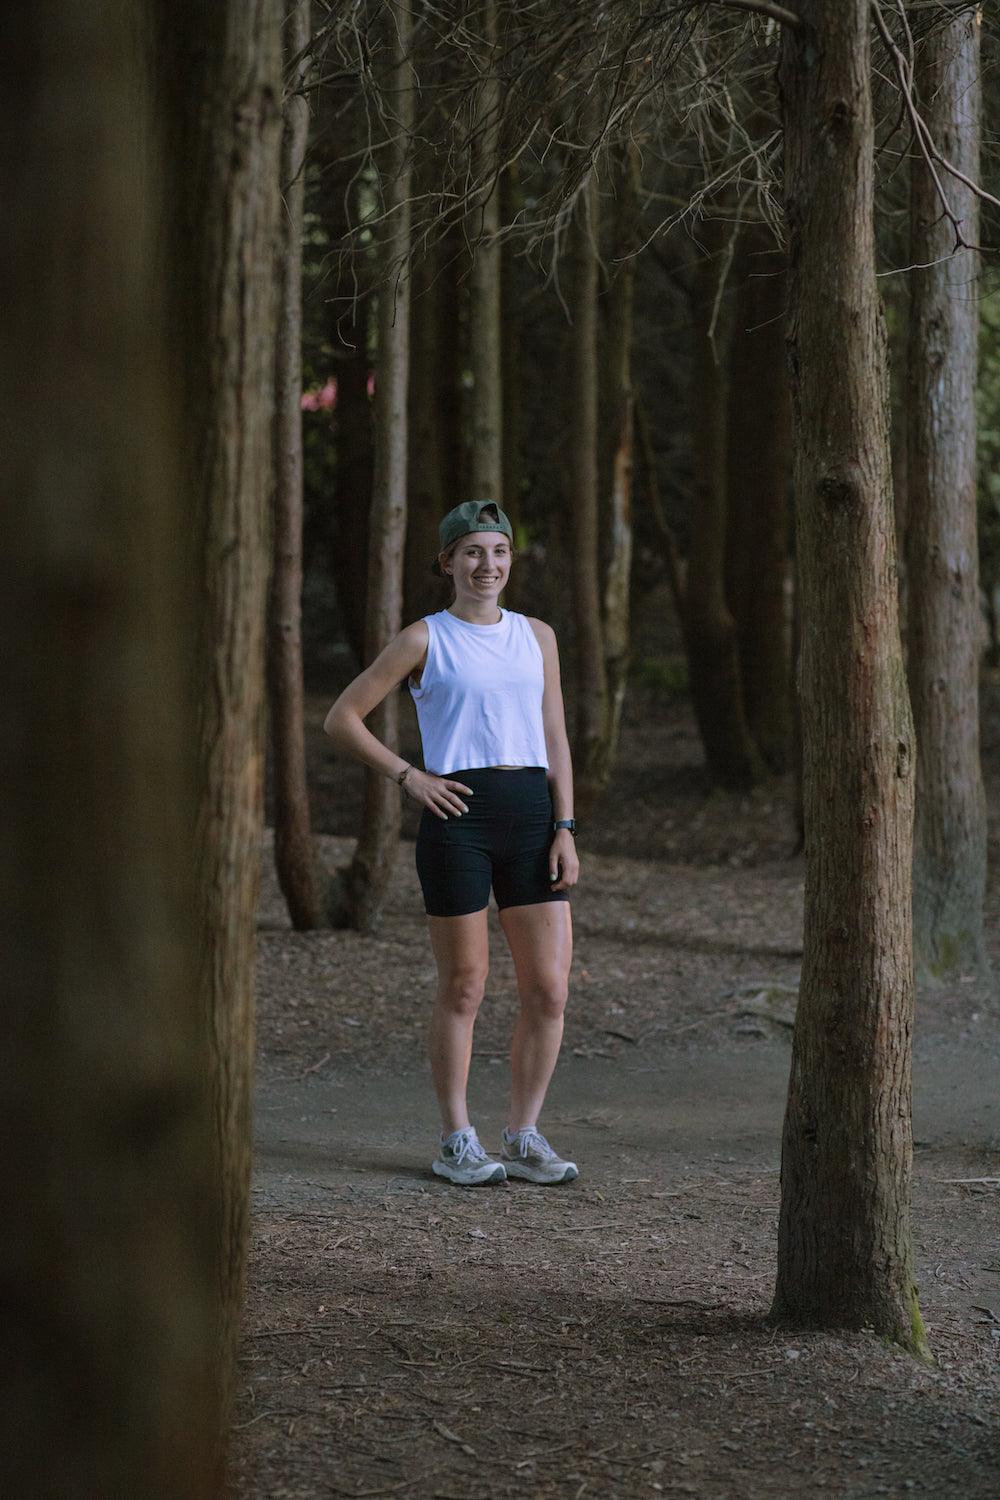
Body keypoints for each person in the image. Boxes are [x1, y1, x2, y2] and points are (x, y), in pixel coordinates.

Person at [324, 500, 579, 1187]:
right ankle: (456, 1140)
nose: (486, 565)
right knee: (465, 985)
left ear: (510, 560)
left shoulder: (538, 636)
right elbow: (341, 718)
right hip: (457, 819)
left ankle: (524, 1134)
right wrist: (408, 777)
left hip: (532, 817)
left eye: (498, 551)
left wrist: (565, 827)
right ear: (447, 562)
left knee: (549, 989)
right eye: (471, 552)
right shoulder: (424, 639)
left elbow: (554, 734)